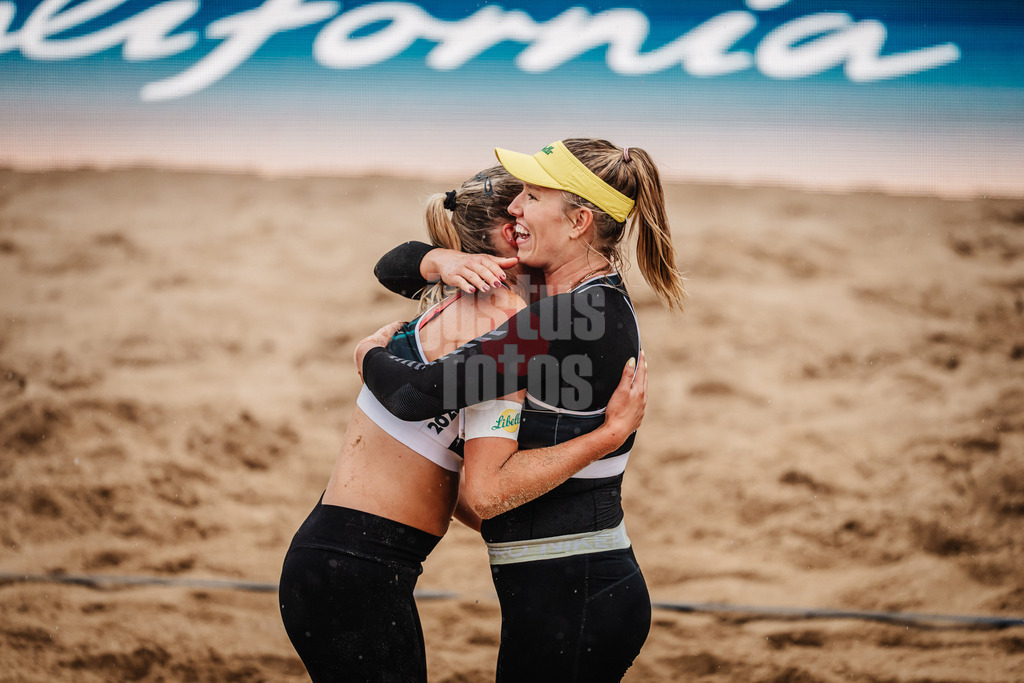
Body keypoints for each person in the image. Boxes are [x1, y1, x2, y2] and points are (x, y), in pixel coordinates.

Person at [279, 165, 646, 682]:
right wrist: (367, 357)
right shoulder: (499, 315)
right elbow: (454, 454)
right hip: (358, 568)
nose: (523, 218)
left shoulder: (452, 303)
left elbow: (393, 267)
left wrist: (436, 260)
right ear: (503, 241)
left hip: (340, 559)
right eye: (518, 218)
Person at [358, 138, 685, 681]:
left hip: (577, 595)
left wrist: (368, 353)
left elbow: (415, 396)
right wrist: (444, 259)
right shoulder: (575, 294)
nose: (514, 208)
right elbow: (394, 268)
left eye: (532, 196)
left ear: (579, 221)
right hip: (565, 591)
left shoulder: (572, 319)